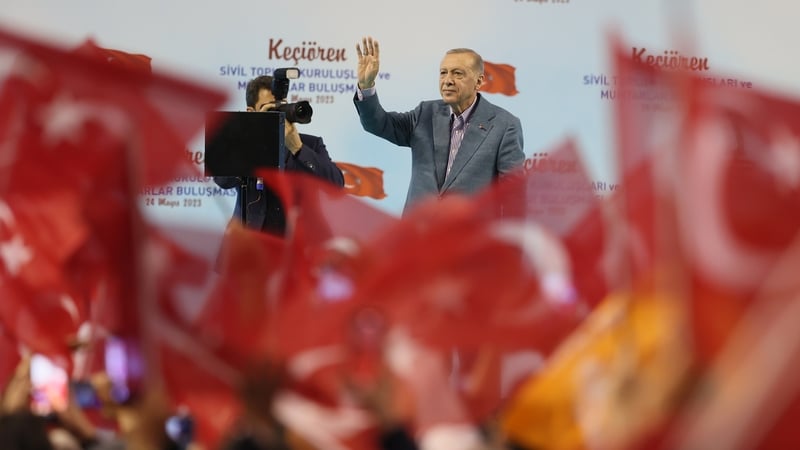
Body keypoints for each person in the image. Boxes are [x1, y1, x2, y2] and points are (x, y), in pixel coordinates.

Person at [353, 36, 525, 215]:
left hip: (469, 239)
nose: (448, 80)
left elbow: (513, 198)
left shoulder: (504, 125)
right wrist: (366, 86)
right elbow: (377, 123)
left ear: (479, 82)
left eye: (458, 73)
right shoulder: (425, 113)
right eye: (443, 72)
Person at [214, 75, 344, 235]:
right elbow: (222, 180)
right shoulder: (240, 142)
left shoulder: (311, 144)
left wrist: (298, 149)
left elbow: (336, 185)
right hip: (252, 244)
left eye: (280, 107)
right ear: (251, 111)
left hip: (300, 246)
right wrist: (254, 135)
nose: (276, 114)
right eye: (269, 108)